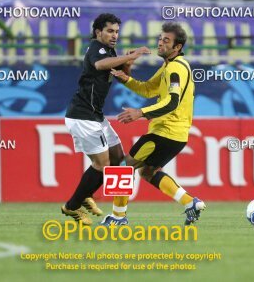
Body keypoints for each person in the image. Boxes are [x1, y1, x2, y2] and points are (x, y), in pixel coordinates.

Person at [102, 22, 206, 226]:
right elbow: (149, 89)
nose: (160, 43)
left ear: (177, 47)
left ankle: (118, 217)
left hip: (165, 133)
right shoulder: (170, 65)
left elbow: (172, 102)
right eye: (160, 38)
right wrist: (126, 79)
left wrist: (141, 113)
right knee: (147, 172)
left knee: (123, 166)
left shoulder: (175, 69)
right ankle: (190, 202)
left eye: (166, 41)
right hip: (176, 135)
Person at [61, 13, 149, 225]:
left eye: (117, 31)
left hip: (95, 116)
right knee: (102, 165)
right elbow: (100, 65)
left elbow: (120, 74)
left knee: (117, 159)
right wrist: (129, 56)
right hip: (83, 116)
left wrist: (129, 61)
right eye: (110, 31)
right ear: (98, 32)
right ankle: (72, 206)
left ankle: (89, 198)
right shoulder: (95, 49)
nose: (114, 35)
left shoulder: (109, 51)